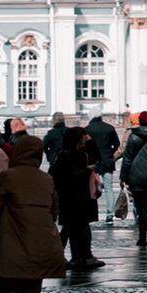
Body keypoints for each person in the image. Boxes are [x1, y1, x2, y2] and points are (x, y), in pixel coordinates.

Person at [0, 123, 64, 293]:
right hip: (42, 241)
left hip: (13, 239)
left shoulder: (8, 176)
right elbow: (54, 210)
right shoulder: (46, 179)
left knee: (9, 285)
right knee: (32, 287)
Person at [46, 117, 99, 276]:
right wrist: (87, 170)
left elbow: (95, 156)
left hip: (78, 199)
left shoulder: (75, 153)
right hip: (72, 199)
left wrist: (89, 141)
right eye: (81, 140)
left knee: (76, 229)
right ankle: (77, 257)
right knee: (74, 229)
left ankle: (81, 256)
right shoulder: (65, 156)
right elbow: (69, 177)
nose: (82, 143)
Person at [121, 112, 147, 249]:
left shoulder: (133, 137)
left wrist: (123, 177)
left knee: (140, 207)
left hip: (136, 175)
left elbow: (127, 159)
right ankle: (142, 237)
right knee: (143, 205)